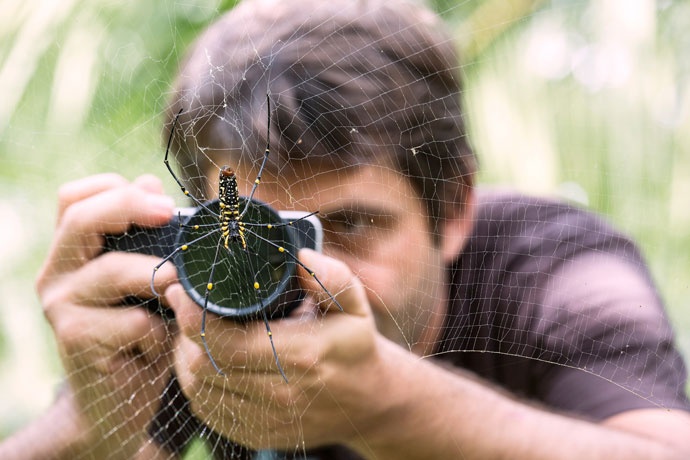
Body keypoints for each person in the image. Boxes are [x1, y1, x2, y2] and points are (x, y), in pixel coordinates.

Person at [2, 0, 690, 458]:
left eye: (350, 225)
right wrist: (93, 427)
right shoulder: (198, 290)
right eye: (260, 233)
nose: (302, 271)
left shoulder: (550, 266)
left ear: (452, 208)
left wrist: (387, 404)